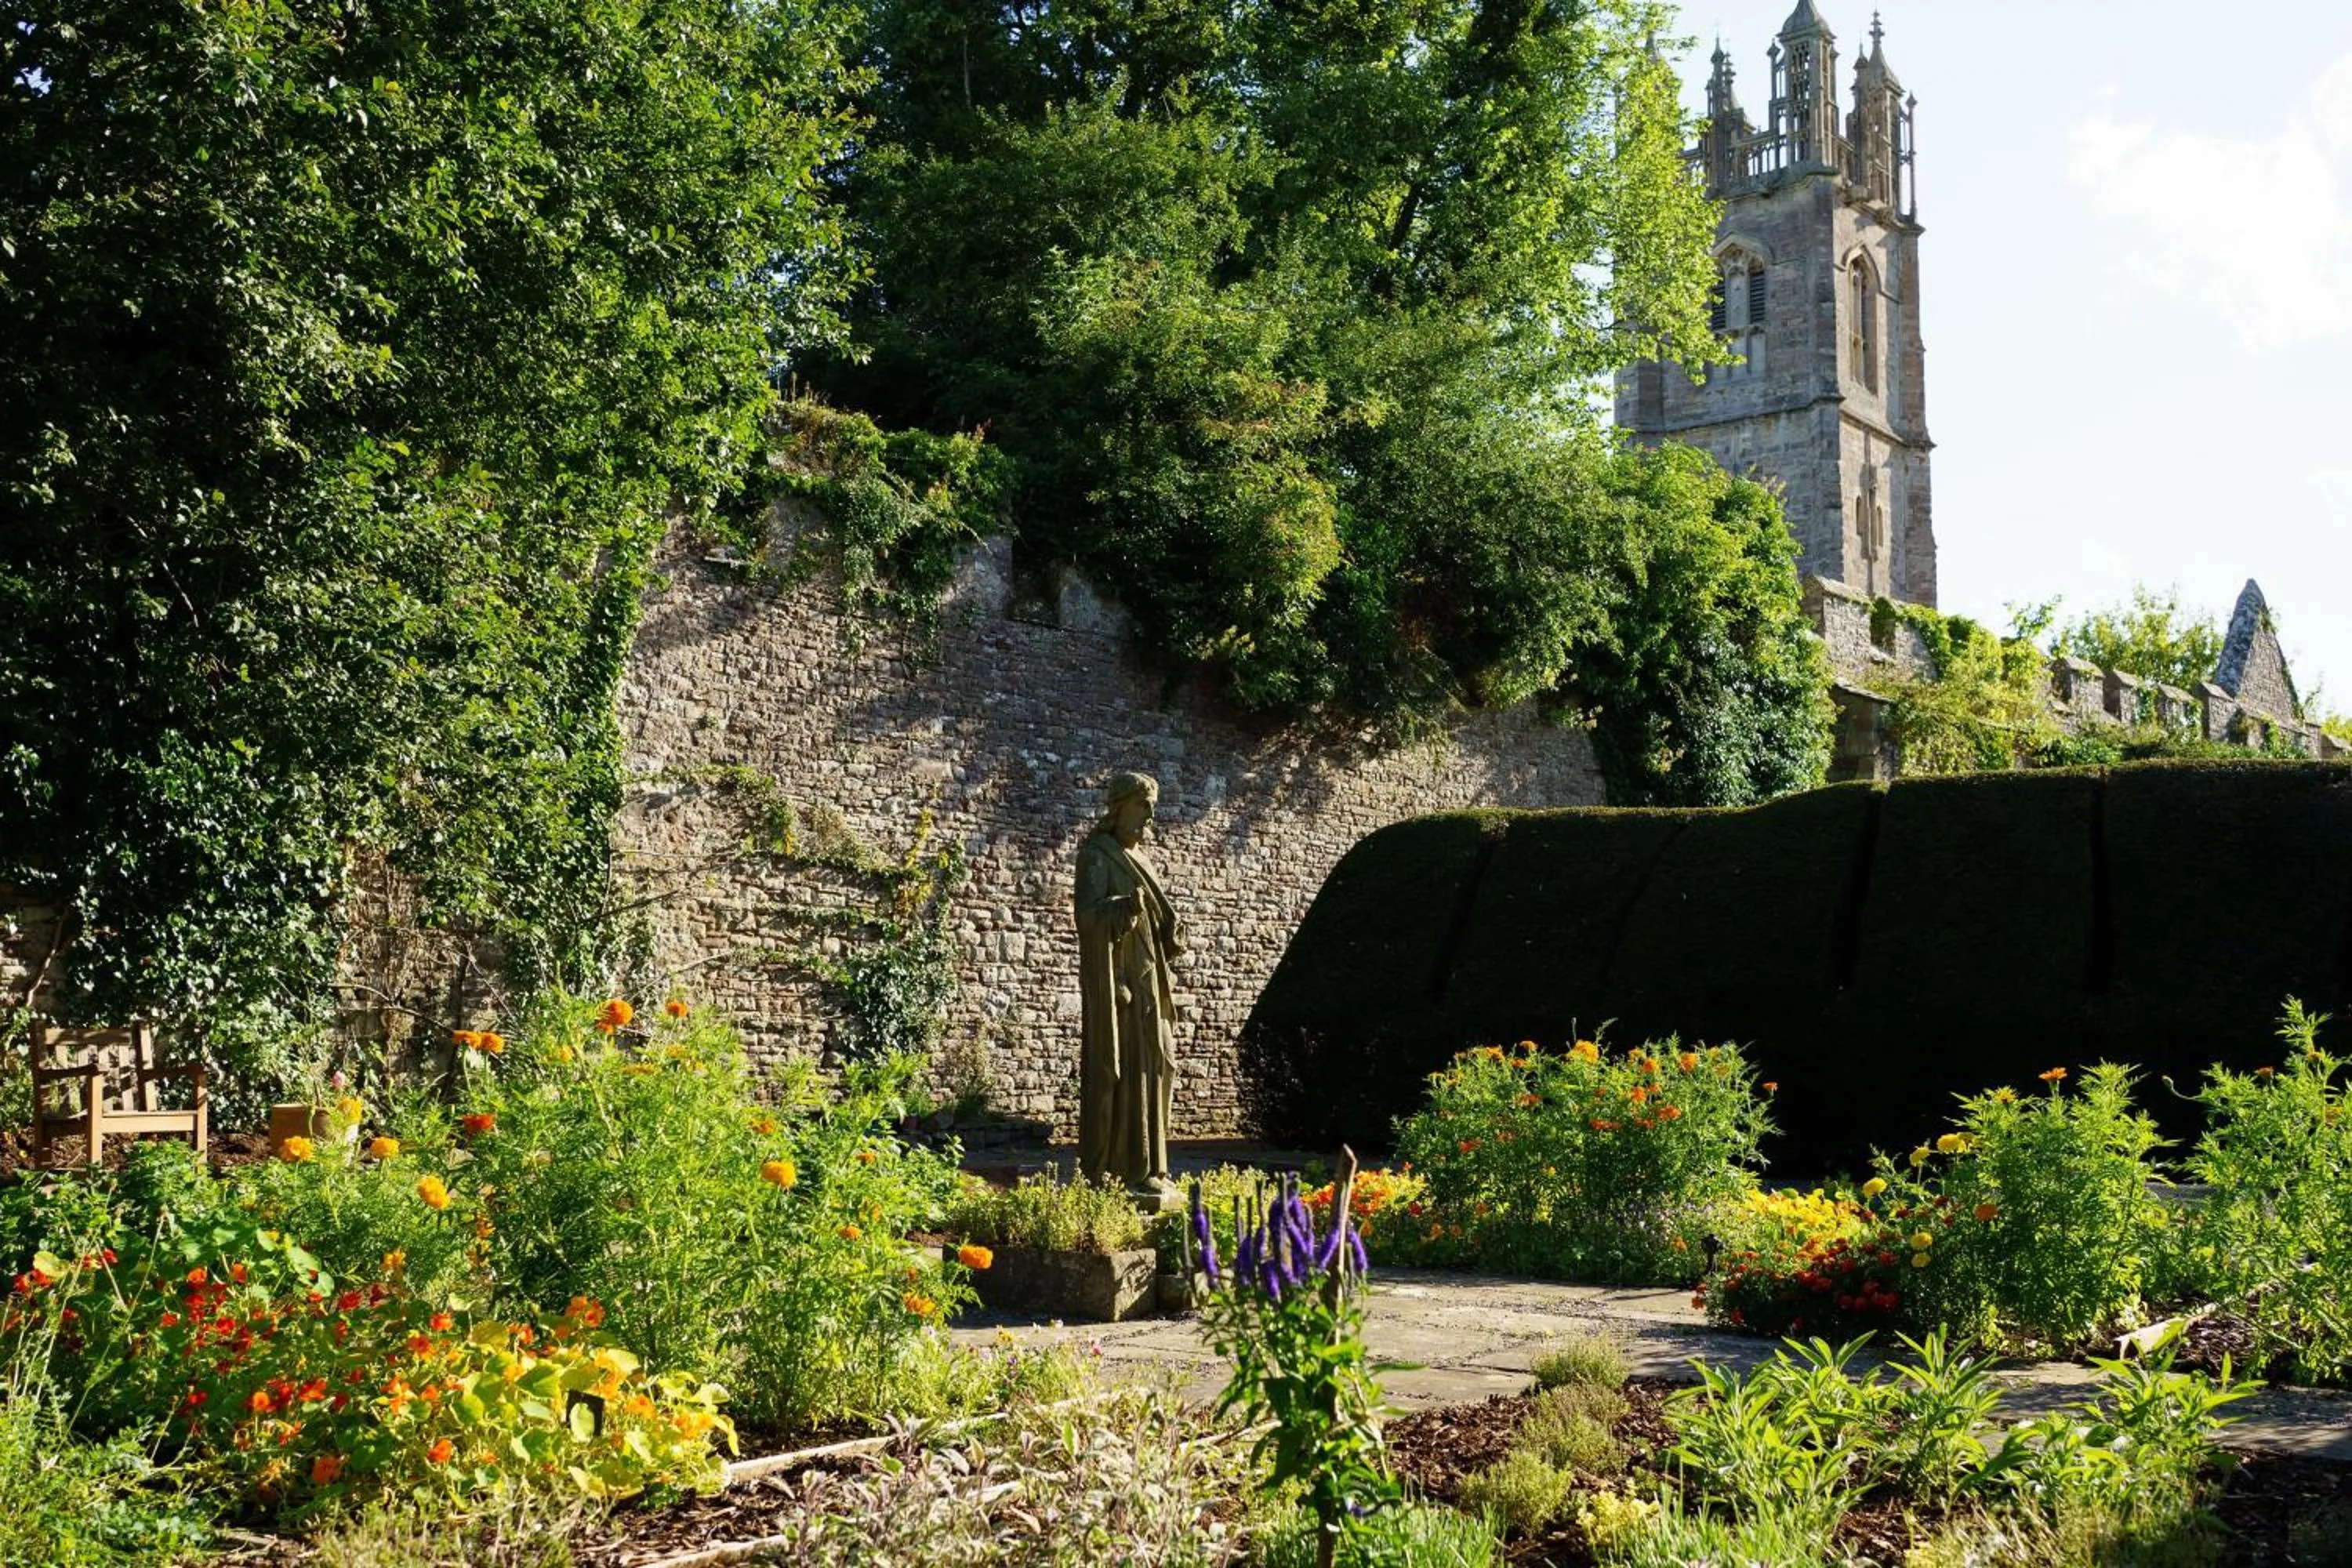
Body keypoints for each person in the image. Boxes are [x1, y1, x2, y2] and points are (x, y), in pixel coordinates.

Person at [1073, 771, 1183, 1201]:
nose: (1149, 814)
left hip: (1151, 979)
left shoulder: (1144, 860)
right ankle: (1125, 1171)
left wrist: (1167, 929)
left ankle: (1154, 1165)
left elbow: (1154, 926)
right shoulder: (1098, 855)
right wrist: (1123, 909)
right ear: (1119, 807)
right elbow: (1087, 918)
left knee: (1163, 1063)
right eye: (1142, 804)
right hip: (1122, 986)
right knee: (1131, 1069)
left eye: (1152, 805)